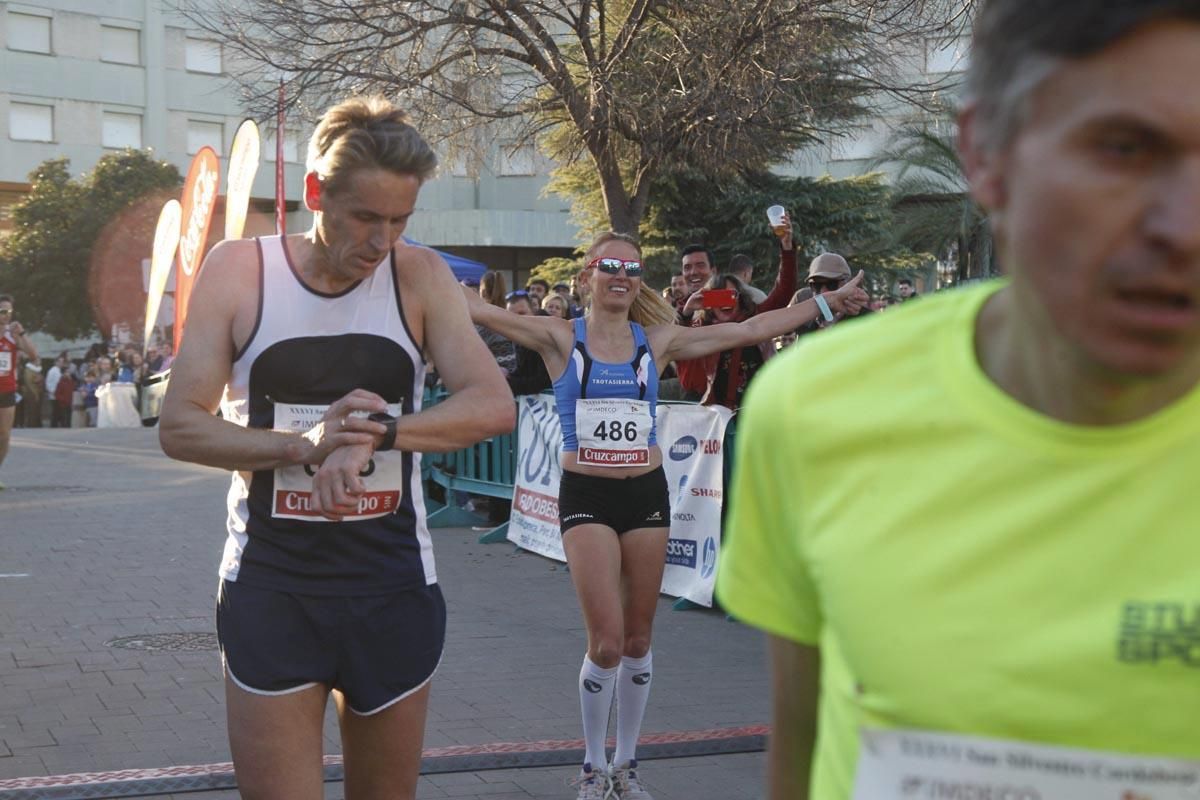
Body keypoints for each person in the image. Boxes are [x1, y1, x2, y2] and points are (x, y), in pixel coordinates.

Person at [717, 3, 1200, 799]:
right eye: (1123, 148)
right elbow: (799, 746)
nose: (1184, 226)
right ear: (985, 153)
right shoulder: (817, 406)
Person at [158, 96, 514, 800]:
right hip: (274, 586)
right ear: (317, 194)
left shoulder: (417, 276)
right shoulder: (240, 272)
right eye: (365, 218)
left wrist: (378, 433)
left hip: (391, 586)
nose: (382, 241)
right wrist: (305, 446)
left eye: (400, 220)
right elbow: (180, 425)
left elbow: (491, 404)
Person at [465, 230, 866, 800]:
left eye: (631, 268)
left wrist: (827, 301)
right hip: (587, 497)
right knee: (604, 642)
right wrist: (398, 258)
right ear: (588, 277)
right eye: (609, 266)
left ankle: (626, 766)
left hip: (647, 495)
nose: (621, 276)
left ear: (638, 280)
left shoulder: (656, 341)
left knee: (638, 638)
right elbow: (475, 308)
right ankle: (590, 766)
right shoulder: (559, 337)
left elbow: (751, 328)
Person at [675, 214, 800, 402]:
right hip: (714, 414)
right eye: (719, 296)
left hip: (758, 407)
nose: (725, 303)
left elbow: (783, 292)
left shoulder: (755, 318)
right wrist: (687, 313)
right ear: (708, 303)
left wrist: (787, 248)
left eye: (731, 296)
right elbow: (682, 359)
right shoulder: (699, 325)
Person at [0, 294, 38, 487]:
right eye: (2, 311)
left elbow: (33, 356)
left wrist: (21, 334)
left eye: (9, 311)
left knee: (4, 435)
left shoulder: (12, 335)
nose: (6, 315)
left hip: (6, 390)